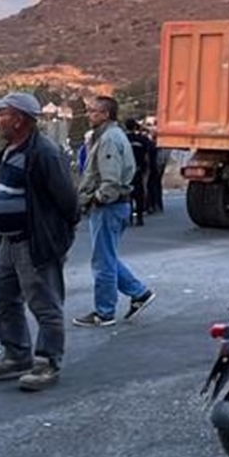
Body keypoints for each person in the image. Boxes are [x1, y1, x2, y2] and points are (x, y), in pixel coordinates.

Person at [0, 92, 80, 391]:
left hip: (34, 242)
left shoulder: (44, 153)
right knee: (3, 295)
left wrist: (57, 240)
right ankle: (16, 355)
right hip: (10, 241)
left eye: (3, 113)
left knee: (44, 302)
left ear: (19, 119)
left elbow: (68, 202)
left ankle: (47, 362)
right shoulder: (10, 148)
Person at [73, 96, 156, 327]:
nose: (89, 114)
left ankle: (104, 312)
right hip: (115, 206)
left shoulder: (109, 139)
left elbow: (110, 179)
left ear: (105, 114)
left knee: (103, 261)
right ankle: (139, 292)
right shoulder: (108, 136)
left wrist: (97, 200)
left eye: (93, 111)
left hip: (109, 206)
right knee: (106, 256)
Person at [124, 118, 155, 227]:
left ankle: (129, 217)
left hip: (125, 170)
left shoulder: (123, 139)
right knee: (139, 193)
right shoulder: (142, 139)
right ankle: (140, 217)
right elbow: (148, 154)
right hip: (139, 169)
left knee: (127, 193)